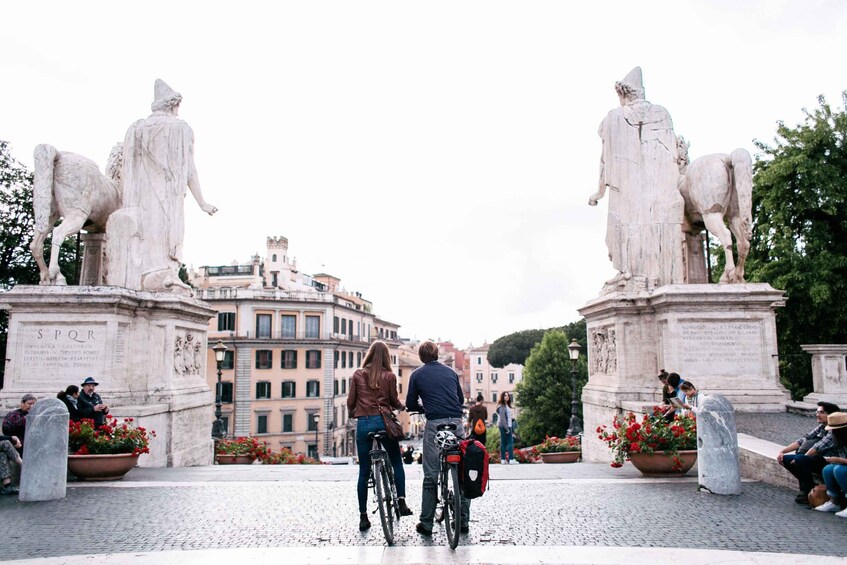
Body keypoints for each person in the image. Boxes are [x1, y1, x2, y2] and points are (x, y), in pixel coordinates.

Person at [110, 79, 217, 294]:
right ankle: (165, 275)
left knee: (145, 232)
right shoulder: (182, 129)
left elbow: (127, 167)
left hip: (140, 198)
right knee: (167, 235)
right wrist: (202, 202)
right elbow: (190, 170)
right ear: (173, 105)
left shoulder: (136, 128)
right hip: (169, 195)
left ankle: (145, 275)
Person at [589, 66, 686, 293]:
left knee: (622, 229)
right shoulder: (662, 113)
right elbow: (676, 156)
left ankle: (629, 272)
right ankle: (660, 277)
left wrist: (599, 192)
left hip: (627, 192)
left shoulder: (613, 118)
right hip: (662, 192)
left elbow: (605, 160)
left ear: (623, 94)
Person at [405, 340, 470, 536]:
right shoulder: (450, 372)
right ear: (436, 354)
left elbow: (410, 402)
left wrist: (421, 408)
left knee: (431, 474)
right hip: (456, 423)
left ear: (421, 356)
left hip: (434, 424)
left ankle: (426, 524)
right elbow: (460, 399)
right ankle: (464, 521)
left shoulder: (416, 375)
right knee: (461, 473)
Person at [347, 340, 412, 531]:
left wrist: (353, 411)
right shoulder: (390, 376)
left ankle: (363, 516)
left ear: (368, 355)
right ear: (386, 357)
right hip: (384, 423)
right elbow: (393, 401)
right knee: (396, 461)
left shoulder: (358, 374)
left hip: (364, 423)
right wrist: (402, 407)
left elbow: (351, 400)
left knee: (364, 472)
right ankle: (401, 500)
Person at [777, 401, 840, 504]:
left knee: (799, 459)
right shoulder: (821, 427)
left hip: (831, 460)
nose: (817, 415)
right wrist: (782, 451)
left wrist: (800, 458)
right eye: (817, 412)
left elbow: (817, 448)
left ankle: (807, 490)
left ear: (830, 415)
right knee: (785, 458)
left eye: (821, 412)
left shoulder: (834, 430)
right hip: (819, 458)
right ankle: (809, 487)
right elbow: (802, 440)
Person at [811, 412, 847, 516]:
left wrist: (841, 460)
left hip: (843, 465)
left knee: (839, 470)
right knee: (828, 469)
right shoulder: (837, 437)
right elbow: (818, 447)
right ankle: (834, 502)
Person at [496, 392, 517, 464]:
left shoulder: (506, 405)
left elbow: (506, 417)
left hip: (506, 425)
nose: (507, 397)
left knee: (504, 442)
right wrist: (507, 428)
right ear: (502, 397)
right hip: (505, 426)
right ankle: (511, 459)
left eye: (508, 395)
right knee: (510, 442)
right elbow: (502, 418)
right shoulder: (502, 406)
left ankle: (503, 459)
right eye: (505, 395)